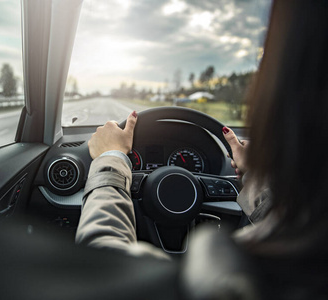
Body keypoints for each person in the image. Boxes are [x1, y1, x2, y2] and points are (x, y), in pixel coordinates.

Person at [76, 0, 328, 298]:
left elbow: (103, 265)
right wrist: (256, 177)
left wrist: (111, 159)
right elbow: (294, 225)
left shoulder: (226, 283)